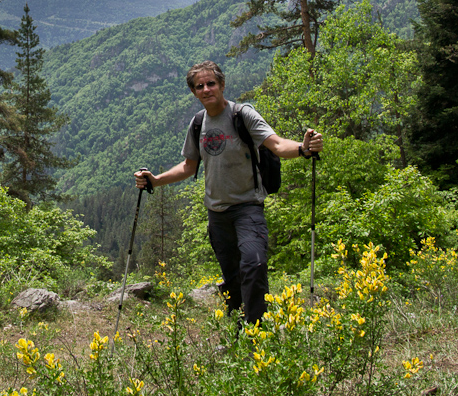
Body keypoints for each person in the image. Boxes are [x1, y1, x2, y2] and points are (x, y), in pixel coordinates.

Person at [134, 60, 323, 325]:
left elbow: (278, 145)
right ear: (194, 92)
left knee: (255, 264)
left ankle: (256, 332)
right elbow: (189, 166)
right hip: (217, 214)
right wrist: (155, 180)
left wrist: (303, 149)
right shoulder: (198, 123)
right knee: (232, 276)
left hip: (248, 208)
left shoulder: (242, 115)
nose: (206, 89)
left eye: (211, 83)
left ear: (222, 85)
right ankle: (238, 330)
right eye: (199, 86)